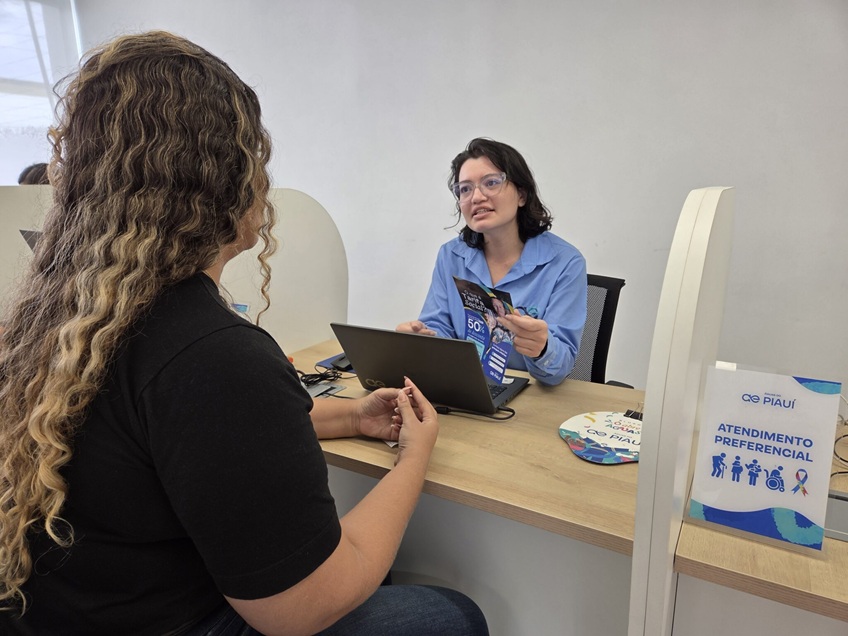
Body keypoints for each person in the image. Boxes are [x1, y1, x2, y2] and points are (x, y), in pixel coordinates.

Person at [0, 32, 488, 636]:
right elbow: (301, 608)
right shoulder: (213, 355)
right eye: (254, 154)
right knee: (450, 615)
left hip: (66, 615)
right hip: (178, 621)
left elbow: (195, 441)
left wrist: (349, 416)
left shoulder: (70, 319)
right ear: (221, 178)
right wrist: (414, 459)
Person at [397, 138, 587, 386]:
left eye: (491, 183)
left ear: (521, 194)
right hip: (464, 389)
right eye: (465, 189)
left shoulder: (565, 263)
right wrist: (421, 339)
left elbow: (560, 368)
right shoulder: (451, 256)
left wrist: (542, 348)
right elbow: (438, 326)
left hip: (530, 395)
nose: (476, 197)